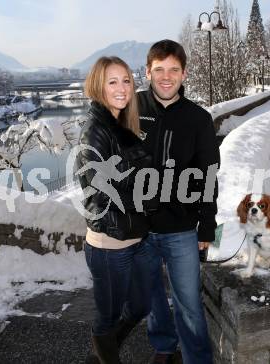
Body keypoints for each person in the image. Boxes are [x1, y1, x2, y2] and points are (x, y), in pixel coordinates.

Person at [137, 40, 220, 364]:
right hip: (139, 229)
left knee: (189, 303)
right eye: (159, 70)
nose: (166, 77)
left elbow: (209, 175)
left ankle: (197, 359)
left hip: (182, 229)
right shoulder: (131, 109)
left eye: (174, 70)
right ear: (148, 72)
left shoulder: (198, 118)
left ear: (184, 73)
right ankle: (164, 345)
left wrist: (207, 226)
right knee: (152, 296)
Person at [76, 56, 153, 364]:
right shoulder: (95, 131)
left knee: (140, 307)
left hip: (135, 238)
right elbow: (100, 194)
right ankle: (106, 353)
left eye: (126, 80)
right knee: (107, 319)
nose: (122, 88)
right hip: (110, 244)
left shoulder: (123, 124)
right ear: (98, 86)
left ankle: (103, 352)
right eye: (112, 81)